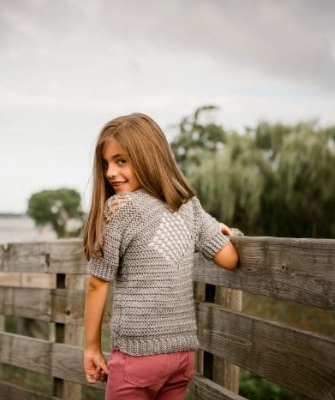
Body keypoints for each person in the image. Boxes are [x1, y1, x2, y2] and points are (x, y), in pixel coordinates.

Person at [82, 112, 239, 400]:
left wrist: (91, 347)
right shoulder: (189, 206)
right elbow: (229, 258)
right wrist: (218, 231)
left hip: (137, 356)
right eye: (106, 164)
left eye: (121, 161)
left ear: (148, 156)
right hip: (181, 357)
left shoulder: (121, 208)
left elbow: (97, 283)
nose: (110, 173)